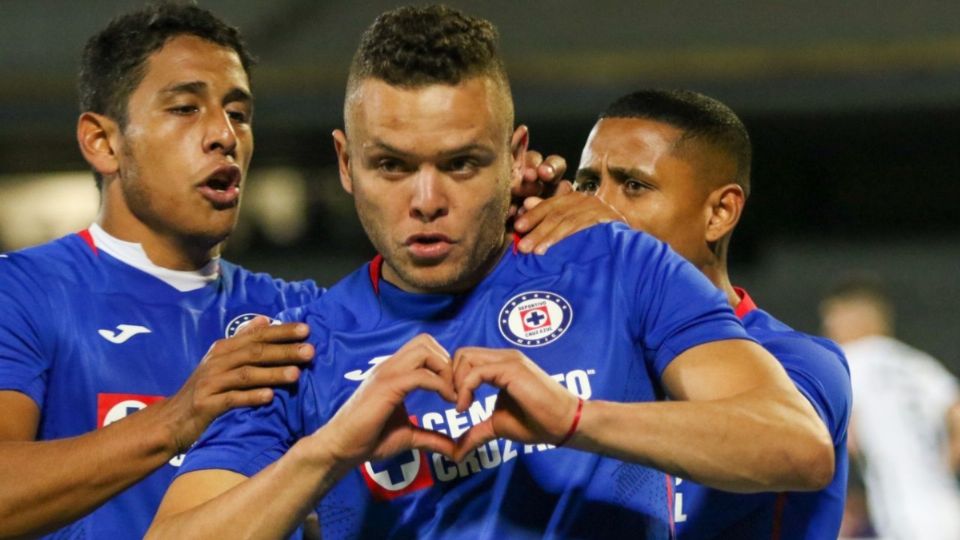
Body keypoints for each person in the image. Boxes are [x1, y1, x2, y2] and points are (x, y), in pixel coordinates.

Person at [148, 6, 833, 539]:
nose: (425, 201)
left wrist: (571, 418)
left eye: (461, 164)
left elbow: (795, 446)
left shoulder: (616, 266)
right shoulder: (300, 350)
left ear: (516, 157)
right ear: (345, 164)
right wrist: (326, 452)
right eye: (391, 165)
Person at [0, 4, 325, 537]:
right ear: (104, 143)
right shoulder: (21, 293)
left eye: (239, 114)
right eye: (185, 109)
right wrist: (177, 420)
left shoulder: (295, 314)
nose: (224, 135)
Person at [542, 89, 852, 538]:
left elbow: (790, 445)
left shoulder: (795, 362)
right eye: (588, 184)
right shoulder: (579, 358)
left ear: (719, 212)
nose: (595, 206)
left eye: (633, 186)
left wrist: (573, 418)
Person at [821, 276, 960, 540]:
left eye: (833, 317)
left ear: (854, 318)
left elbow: (843, 437)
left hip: (902, 516)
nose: (828, 326)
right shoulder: (917, 363)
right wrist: (943, 464)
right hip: (948, 508)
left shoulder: (847, 362)